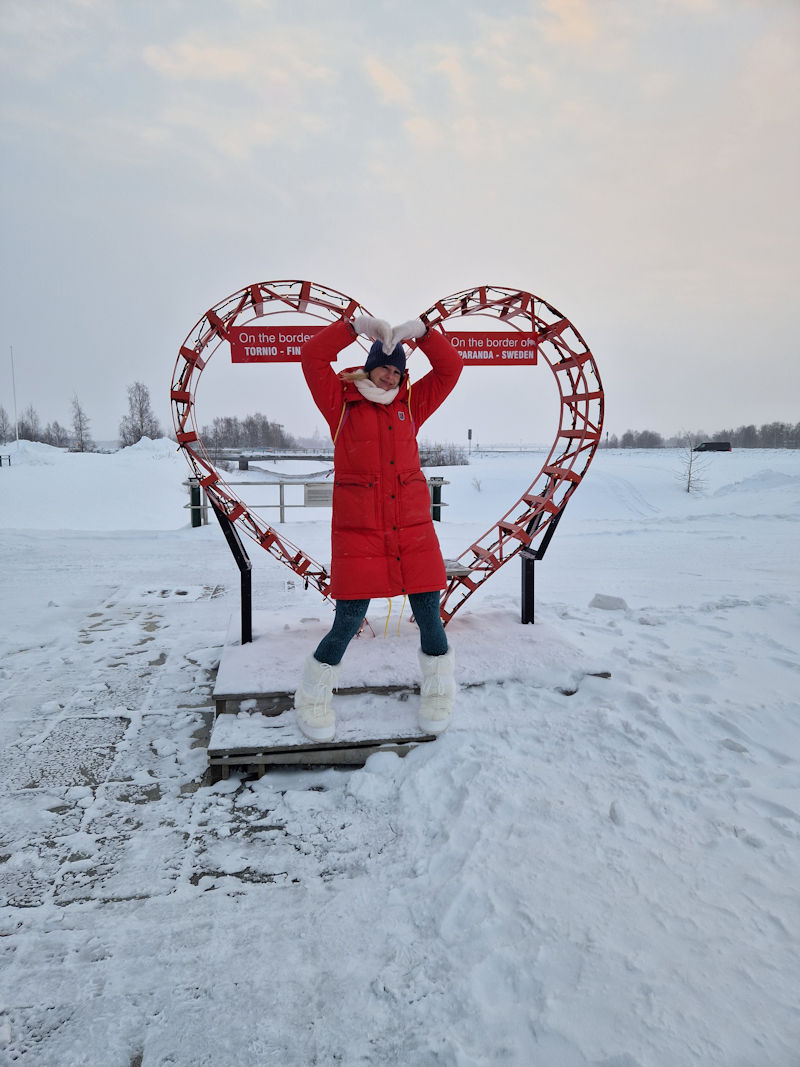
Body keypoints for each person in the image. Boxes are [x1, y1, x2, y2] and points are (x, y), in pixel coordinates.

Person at [294, 312, 463, 742]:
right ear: (369, 365)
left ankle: (439, 690)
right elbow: (312, 357)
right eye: (383, 367)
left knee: (430, 615)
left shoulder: (411, 404)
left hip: (412, 531)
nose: (389, 377)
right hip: (360, 534)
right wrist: (352, 328)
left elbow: (451, 369)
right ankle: (312, 697)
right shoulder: (340, 404)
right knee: (348, 620)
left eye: (396, 370)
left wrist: (423, 335)